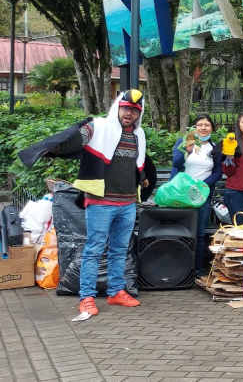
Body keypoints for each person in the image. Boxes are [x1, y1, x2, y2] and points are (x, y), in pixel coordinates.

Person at [28, 90, 152, 316]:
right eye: (126, 108)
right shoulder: (98, 127)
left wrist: (142, 179)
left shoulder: (139, 135)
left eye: (135, 110)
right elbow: (75, 140)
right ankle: (86, 297)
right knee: (93, 250)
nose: (129, 113)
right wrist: (55, 147)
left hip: (127, 203)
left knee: (119, 250)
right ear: (118, 107)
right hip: (100, 201)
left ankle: (116, 292)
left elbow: (139, 162)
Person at [171, 114, 224, 273]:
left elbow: (218, 172)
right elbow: (176, 163)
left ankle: (198, 269)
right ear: (194, 127)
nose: (203, 128)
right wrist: (187, 150)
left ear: (212, 128)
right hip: (180, 194)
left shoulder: (215, 148)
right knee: (179, 232)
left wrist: (201, 186)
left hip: (201, 195)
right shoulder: (183, 142)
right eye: (199, 124)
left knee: (200, 234)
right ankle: (179, 269)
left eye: (207, 125)